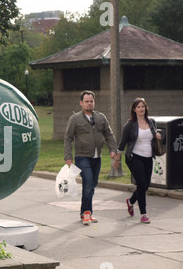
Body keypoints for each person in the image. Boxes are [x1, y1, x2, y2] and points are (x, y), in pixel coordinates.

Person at [64, 90, 118, 225]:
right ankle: (87, 213)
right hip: (82, 157)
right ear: (81, 103)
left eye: (91, 101)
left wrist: (112, 149)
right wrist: (68, 156)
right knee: (88, 183)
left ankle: (85, 212)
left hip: (97, 157)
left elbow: (109, 134)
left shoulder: (101, 118)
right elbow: (68, 138)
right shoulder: (75, 119)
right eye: (87, 101)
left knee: (92, 185)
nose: (89, 103)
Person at [114, 98, 162, 224]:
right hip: (134, 157)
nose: (141, 109)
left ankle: (130, 202)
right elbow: (122, 143)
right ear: (134, 109)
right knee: (141, 184)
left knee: (145, 185)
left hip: (148, 157)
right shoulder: (130, 124)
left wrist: (157, 135)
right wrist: (117, 160)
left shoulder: (151, 122)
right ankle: (144, 214)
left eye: (143, 106)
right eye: (139, 107)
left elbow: (153, 135)